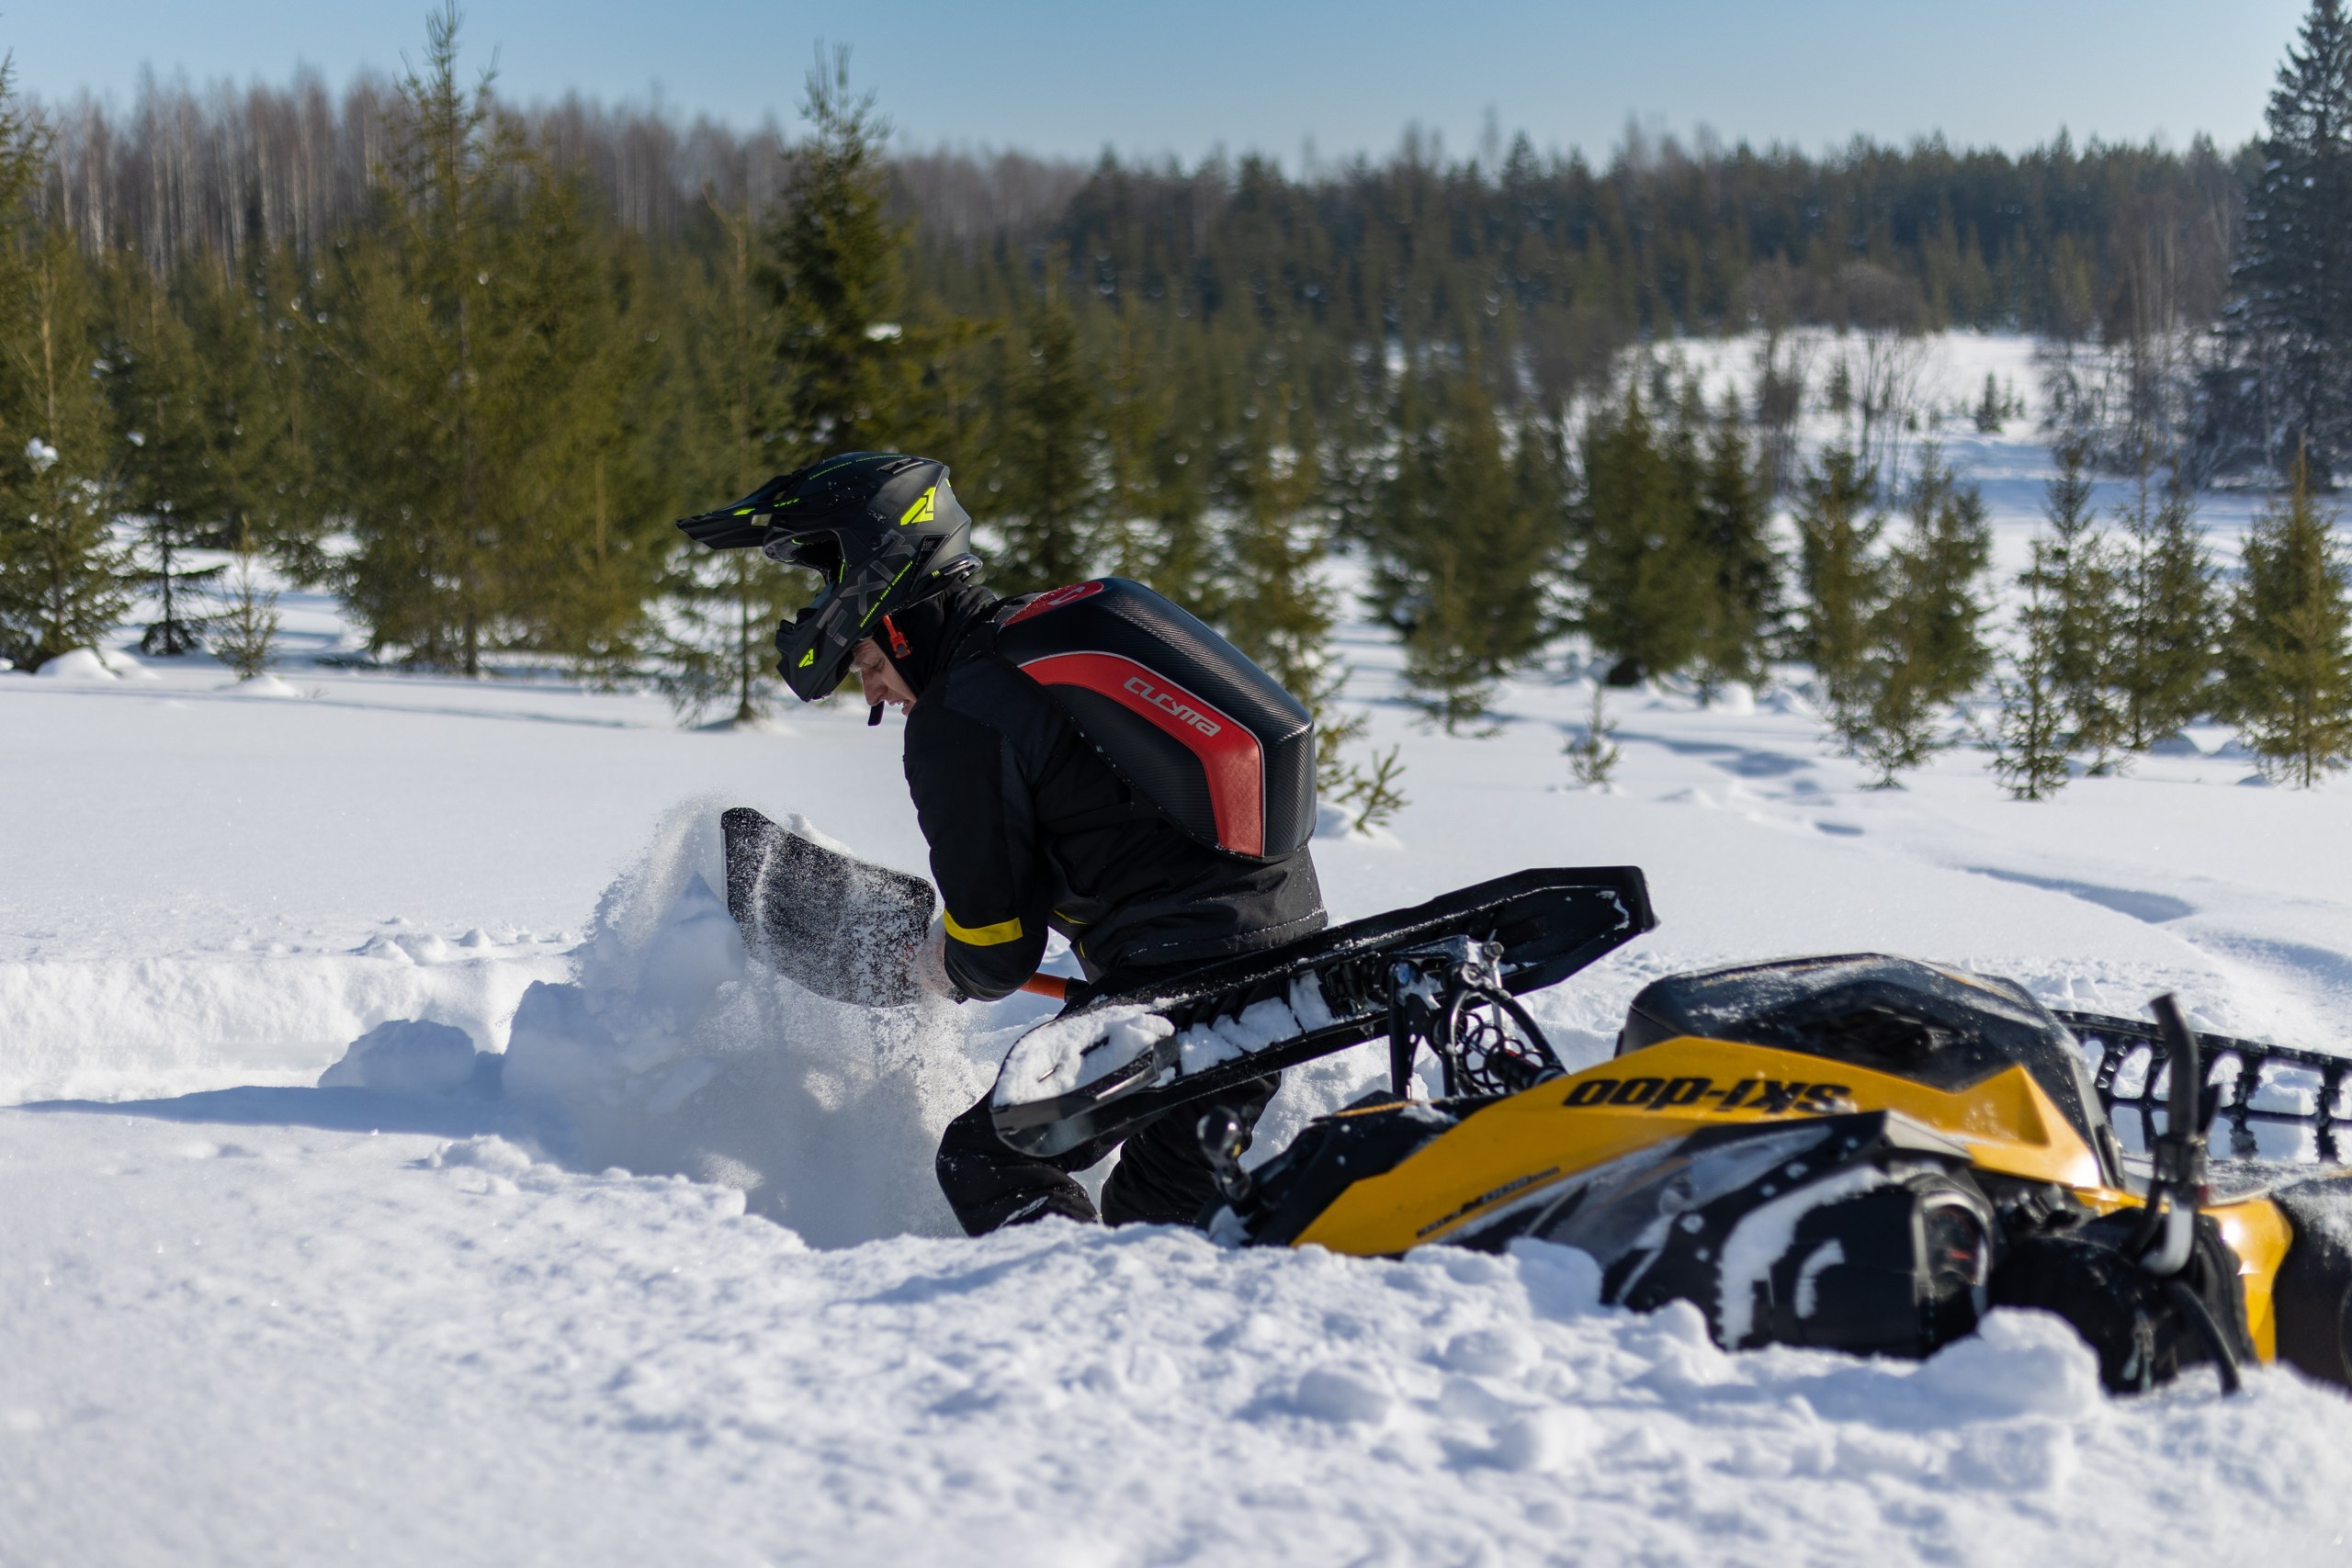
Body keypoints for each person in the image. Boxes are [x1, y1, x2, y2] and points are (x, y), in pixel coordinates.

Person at [677, 452, 1327, 1235]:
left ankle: (1041, 1313)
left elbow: (997, 948)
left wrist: (933, 963)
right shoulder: (1021, 645)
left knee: (990, 1158)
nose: (872, 688)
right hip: (1279, 956)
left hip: (1188, 984)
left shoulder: (959, 713)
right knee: (1156, 1218)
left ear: (886, 614)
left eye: (868, 662)